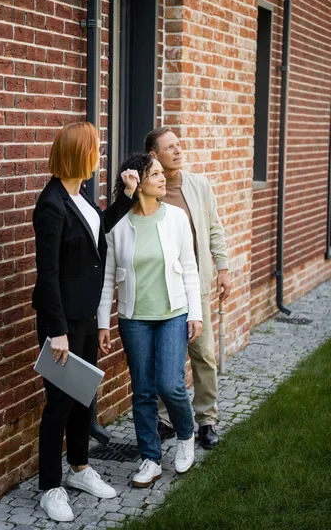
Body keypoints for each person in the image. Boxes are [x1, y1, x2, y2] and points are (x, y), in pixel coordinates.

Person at [32, 121, 139, 522]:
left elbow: (100, 228)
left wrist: (126, 197)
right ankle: (49, 487)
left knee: (84, 396)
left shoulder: (81, 197)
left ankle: (79, 468)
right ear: (80, 153)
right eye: (94, 148)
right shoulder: (51, 204)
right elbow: (49, 274)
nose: (98, 154)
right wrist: (56, 330)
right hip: (60, 321)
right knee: (59, 403)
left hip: (86, 316)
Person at [98, 153, 203, 488]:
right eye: (155, 174)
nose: (163, 178)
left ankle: (186, 435)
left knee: (169, 385)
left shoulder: (176, 217)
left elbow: (189, 267)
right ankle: (150, 457)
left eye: (162, 173)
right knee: (142, 390)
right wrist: (104, 323)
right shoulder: (119, 224)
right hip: (134, 318)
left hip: (173, 313)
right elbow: (108, 276)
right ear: (138, 182)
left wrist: (196, 313)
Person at [144, 128, 230, 450]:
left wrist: (222, 268)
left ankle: (206, 421)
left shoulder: (199, 185)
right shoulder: (150, 189)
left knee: (203, 355)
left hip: (198, 287)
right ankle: (166, 421)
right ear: (155, 155)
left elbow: (214, 228)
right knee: (166, 360)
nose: (178, 151)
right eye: (170, 147)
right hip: (162, 289)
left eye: (179, 145)